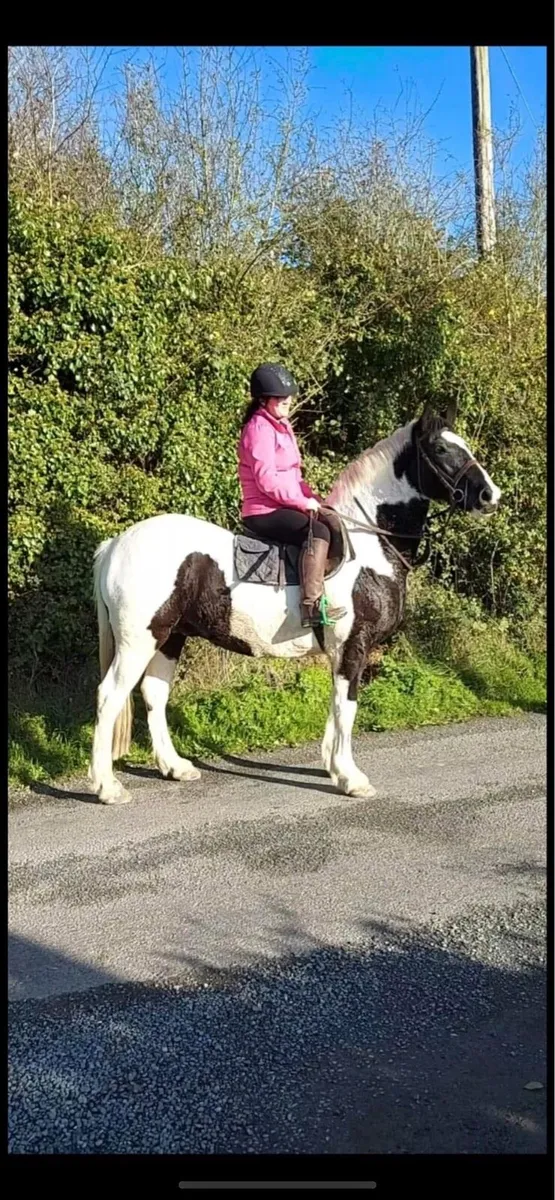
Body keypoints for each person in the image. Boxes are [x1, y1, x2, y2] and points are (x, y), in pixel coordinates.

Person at [238, 362, 346, 627]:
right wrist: (301, 502)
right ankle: (310, 606)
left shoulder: (282, 426)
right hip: (264, 510)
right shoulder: (259, 429)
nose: (288, 401)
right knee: (317, 532)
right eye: (281, 397)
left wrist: (317, 499)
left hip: (282, 503)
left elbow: (294, 475)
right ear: (264, 400)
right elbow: (267, 480)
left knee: (331, 521)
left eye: (289, 396)